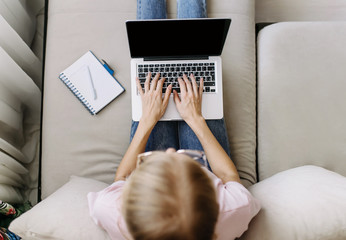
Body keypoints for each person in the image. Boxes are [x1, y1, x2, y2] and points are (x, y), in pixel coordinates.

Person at [88, 0, 261, 239]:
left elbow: (121, 180)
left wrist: (148, 120)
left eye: (163, 159)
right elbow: (230, 179)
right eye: (180, 159)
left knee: (151, 62)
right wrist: (196, 119)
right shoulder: (232, 211)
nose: (172, 151)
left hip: (169, 188)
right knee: (196, 56)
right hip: (193, 171)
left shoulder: (117, 214)